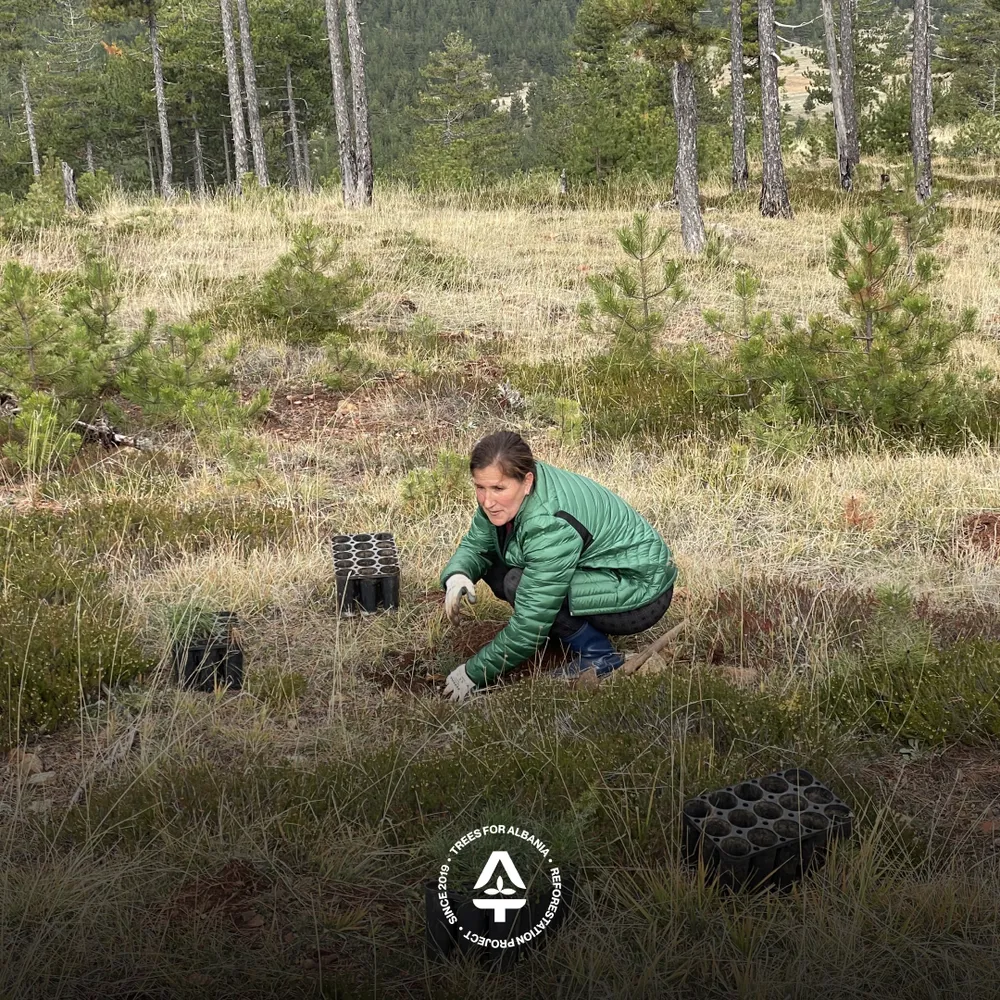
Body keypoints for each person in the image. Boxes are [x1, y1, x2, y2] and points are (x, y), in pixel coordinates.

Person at [440, 430, 677, 703]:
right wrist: (458, 574)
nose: (487, 501)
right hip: (603, 574)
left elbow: (530, 624)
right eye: (480, 487)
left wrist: (473, 673)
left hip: (640, 590)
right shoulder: (512, 487)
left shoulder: (548, 524)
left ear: (527, 481)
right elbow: (479, 544)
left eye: (497, 489)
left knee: (519, 583)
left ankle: (598, 655)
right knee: (502, 566)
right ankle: (563, 635)